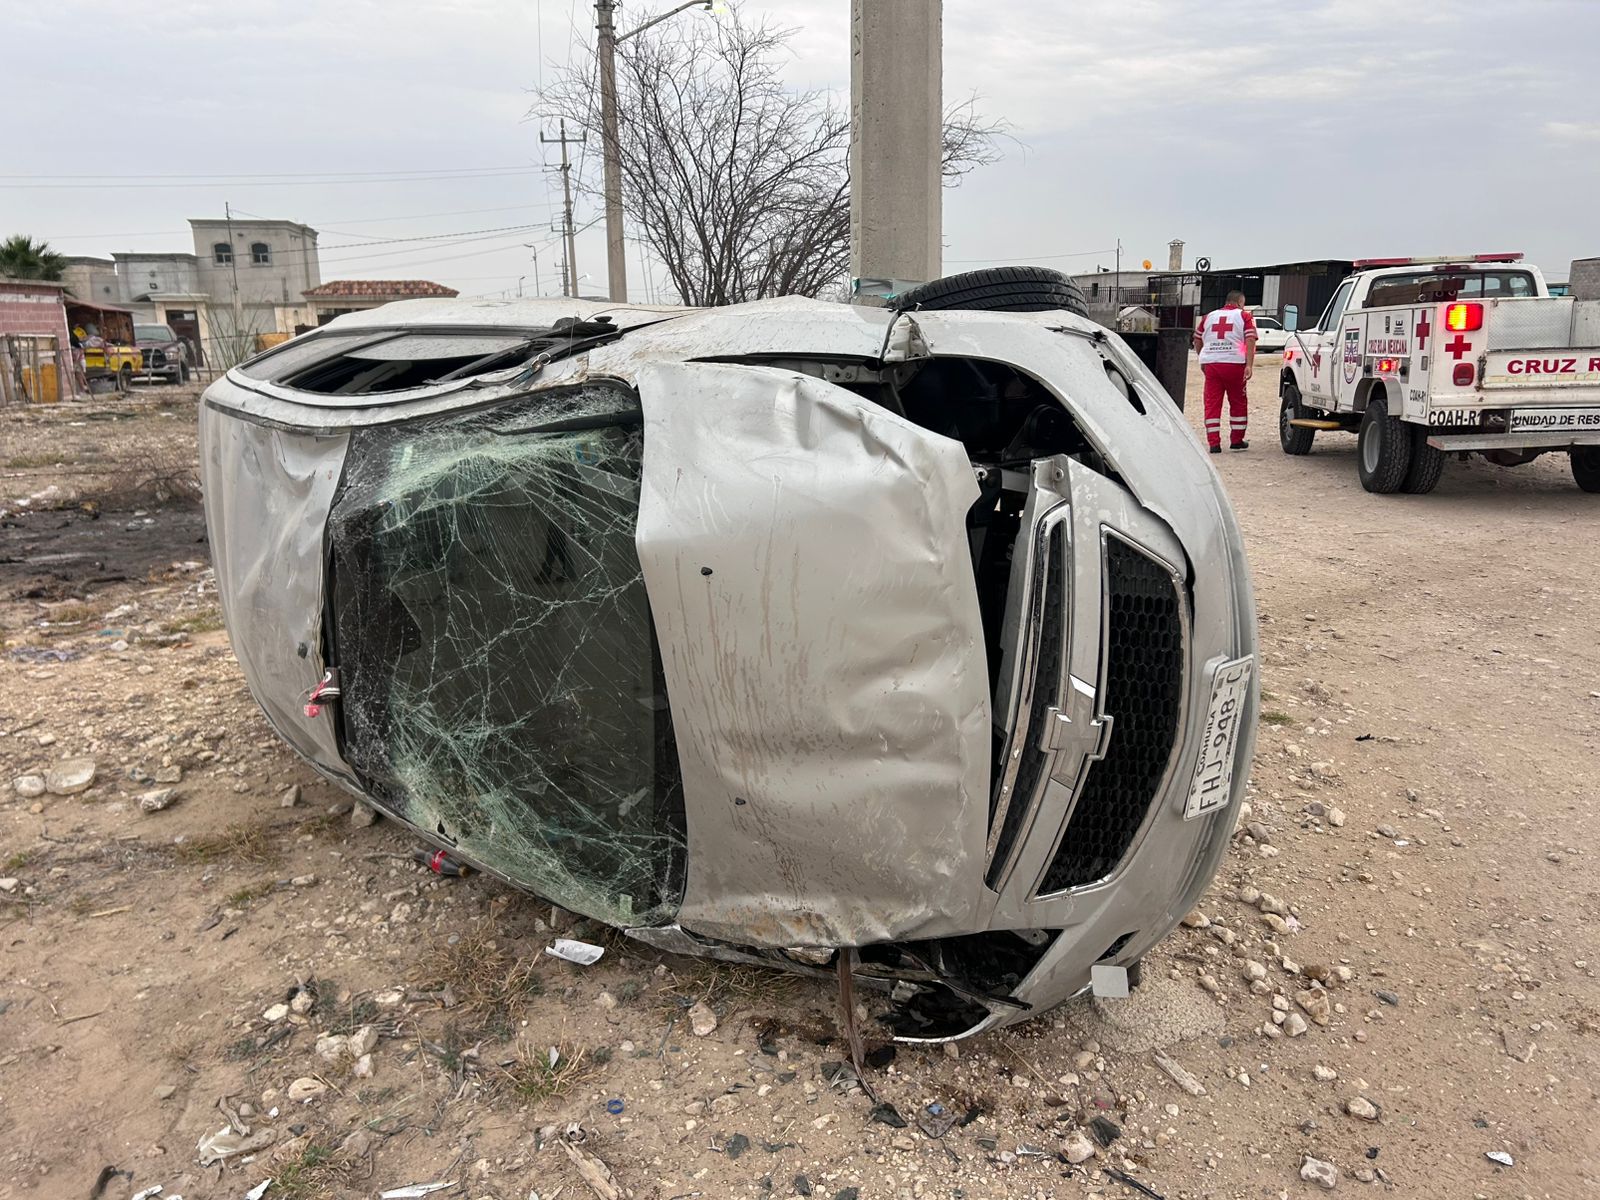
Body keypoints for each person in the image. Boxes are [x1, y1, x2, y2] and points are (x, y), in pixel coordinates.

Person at [1193, 290, 1257, 452]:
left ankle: (1214, 443)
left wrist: (1203, 357)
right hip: (1235, 363)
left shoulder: (1208, 317)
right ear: (1240, 303)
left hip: (1212, 365)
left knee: (1212, 402)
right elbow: (1250, 339)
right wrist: (1249, 364)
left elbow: (1197, 338)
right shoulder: (1244, 316)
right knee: (1238, 402)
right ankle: (1236, 440)